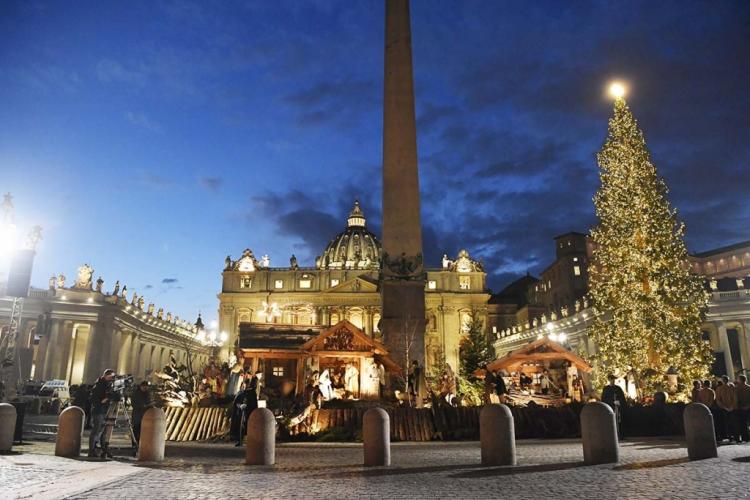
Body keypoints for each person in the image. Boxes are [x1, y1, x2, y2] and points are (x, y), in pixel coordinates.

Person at [89, 369, 115, 458]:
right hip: (98, 410)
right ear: (106, 376)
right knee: (96, 431)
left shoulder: (107, 385)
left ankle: (103, 449)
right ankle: (91, 450)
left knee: (103, 432)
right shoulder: (99, 385)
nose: (112, 379)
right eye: (111, 377)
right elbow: (95, 399)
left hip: (104, 411)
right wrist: (103, 400)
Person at [715, 375, 737, 442]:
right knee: (733, 422)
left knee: (727, 423)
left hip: (725, 408)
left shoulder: (719, 389)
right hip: (732, 407)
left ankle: (730, 436)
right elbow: (735, 398)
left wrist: (724, 407)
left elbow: (718, 400)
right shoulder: (732, 387)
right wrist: (732, 406)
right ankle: (735, 436)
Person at [130, 381, 153, 445]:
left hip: (145, 414)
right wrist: (141, 406)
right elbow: (133, 404)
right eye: (144, 387)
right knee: (136, 430)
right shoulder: (136, 394)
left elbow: (149, 401)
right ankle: (134, 444)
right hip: (137, 415)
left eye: (146, 387)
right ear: (141, 386)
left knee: (143, 431)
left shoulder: (147, 393)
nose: (145, 388)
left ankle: (141, 444)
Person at [734, 375, 750, 443]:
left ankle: (745, 437)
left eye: (738, 379)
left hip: (740, 408)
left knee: (743, 423)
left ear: (740, 380)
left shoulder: (737, 388)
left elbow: (735, 399)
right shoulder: (749, 387)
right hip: (748, 407)